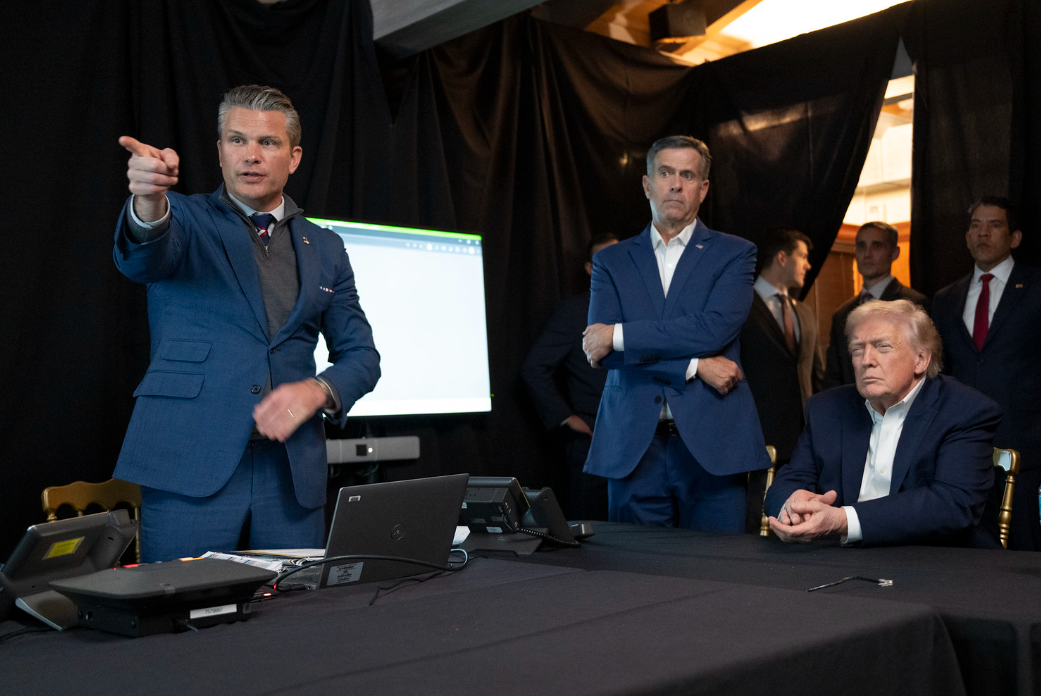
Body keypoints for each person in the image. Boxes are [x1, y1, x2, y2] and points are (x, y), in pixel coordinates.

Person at [113, 85, 380, 562]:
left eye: (268, 143)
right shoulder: (186, 219)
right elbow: (144, 258)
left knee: (294, 622)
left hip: (291, 472)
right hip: (191, 460)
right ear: (219, 152)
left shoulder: (328, 247)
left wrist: (318, 390)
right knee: (179, 617)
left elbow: (362, 357)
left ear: (294, 157)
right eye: (237, 141)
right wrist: (149, 198)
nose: (250, 156)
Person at [582, 135, 770, 531]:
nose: (675, 184)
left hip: (714, 440)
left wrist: (618, 334)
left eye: (688, 175)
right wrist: (694, 365)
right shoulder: (611, 261)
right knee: (636, 577)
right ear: (647, 184)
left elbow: (712, 329)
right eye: (665, 172)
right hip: (634, 444)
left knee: (721, 577)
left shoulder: (735, 253)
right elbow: (607, 356)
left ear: (703, 189)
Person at [765, 300, 1001, 547]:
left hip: (941, 563)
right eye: (857, 349)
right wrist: (793, 505)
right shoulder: (827, 409)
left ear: (920, 359)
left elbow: (952, 504)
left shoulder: (965, 410)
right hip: (840, 562)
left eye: (883, 347)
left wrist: (844, 520)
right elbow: (789, 480)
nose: (866, 360)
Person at [932, 196, 1041, 551]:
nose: (983, 233)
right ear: (966, 237)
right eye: (976, 225)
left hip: (1026, 446)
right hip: (963, 448)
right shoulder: (945, 298)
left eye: (994, 225)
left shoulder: (1037, 286)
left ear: (1015, 238)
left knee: (1024, 556)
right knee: (969, 557)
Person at [521, 234, 619, 521]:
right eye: (605, 260)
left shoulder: (643, 310)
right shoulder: (574, 312)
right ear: (590, 268)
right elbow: (533, 369)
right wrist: (566, 416)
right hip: (593, 438)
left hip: (643, 439)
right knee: (592, 527)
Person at [739, 229, 823, 531]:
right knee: (752, 520)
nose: (808, 265)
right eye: (803, 257)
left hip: (801, 437)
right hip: (754, 433)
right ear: (782, 257)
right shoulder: (739, 303)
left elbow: (815, 374)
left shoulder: (805, 312)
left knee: (795, 518)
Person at [823, 221, 927, 390]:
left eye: (876, 246)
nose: (867, 253)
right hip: (851, 411)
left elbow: (925, 370)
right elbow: (833, 376)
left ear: (894, 253)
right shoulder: (841, 314)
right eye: (861, 246)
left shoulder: (915, 305)